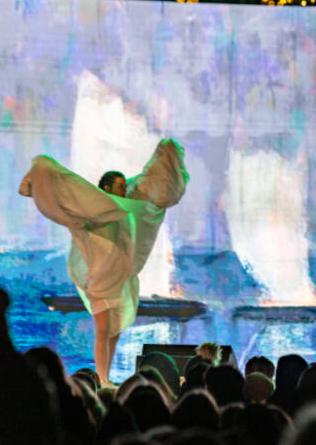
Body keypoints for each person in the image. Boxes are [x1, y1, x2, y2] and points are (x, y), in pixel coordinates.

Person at [19, 138, 189, 385]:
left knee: (113, 332)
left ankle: (105, 376)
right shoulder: (97, 209)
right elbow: (75, 196)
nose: (124, 190)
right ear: (107, 188)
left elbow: (146, 191)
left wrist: (166, 156)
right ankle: (102, 378)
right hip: (100, 279)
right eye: (119, 187)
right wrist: (43, 173)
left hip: (118, 280)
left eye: (124, 186)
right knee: (103, 329)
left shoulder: (124, 209)